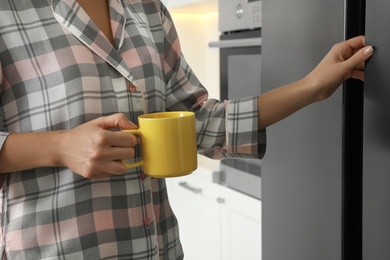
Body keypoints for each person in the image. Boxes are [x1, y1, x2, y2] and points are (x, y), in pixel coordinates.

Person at [0, 0, 373, 259]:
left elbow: (198, 122)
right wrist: (60, 146)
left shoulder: (147, 10)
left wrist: (312, 87)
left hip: (157, 248)